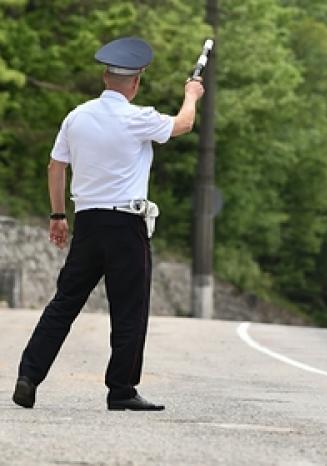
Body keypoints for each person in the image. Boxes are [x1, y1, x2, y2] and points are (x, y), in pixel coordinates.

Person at [11, 37, 205, 411]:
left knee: (64, 304)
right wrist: (192, 94)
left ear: (105, 76)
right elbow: (183, 125)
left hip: (86, 224)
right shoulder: (139, 117)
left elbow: (55, 168)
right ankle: (121, 390)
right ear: (136, 82)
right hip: (126, 226)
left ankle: (29, 376)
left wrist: (57, 215)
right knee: (129, 310)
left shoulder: (76, 116)